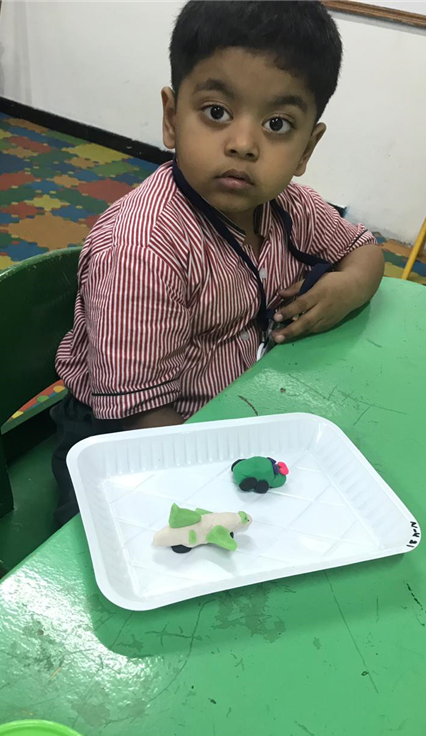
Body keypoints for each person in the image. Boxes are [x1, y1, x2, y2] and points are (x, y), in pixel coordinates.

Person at [51, 0, 385, 526]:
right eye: (216, 113)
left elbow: (364, 251)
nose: (244, 145)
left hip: (230, 407)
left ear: (306, 148)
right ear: (171, 118)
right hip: (126, 437)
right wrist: (219, 495)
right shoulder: (143, 249)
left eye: (277, 123)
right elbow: (143, 421)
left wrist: (347, 288)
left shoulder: (289, 207)